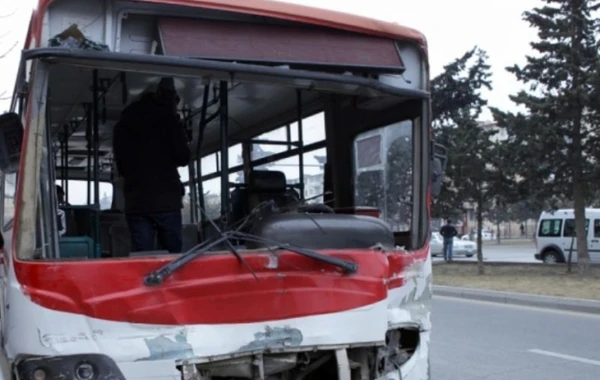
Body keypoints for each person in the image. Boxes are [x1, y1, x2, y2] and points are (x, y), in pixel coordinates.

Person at [113, 77, 191, 253]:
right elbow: (183, 157)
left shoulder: (123, 125)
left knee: (143, 255)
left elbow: (122, 166)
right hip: (166, 199)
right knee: (172, 256)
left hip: (136, 199)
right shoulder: (169, 120)